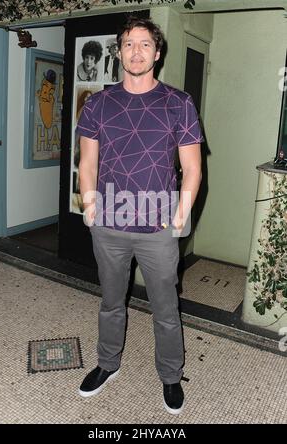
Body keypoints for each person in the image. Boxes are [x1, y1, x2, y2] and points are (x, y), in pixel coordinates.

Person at [76, 16, 203, 415]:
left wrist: (180, 217)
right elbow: (88, 161)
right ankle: (107, 364)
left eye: (145, 44)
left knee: (166, 308)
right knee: (111, 302)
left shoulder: (178, 103)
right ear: (119, 51)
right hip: (109, 224)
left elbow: (193, 169)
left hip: (159, 226)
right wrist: (89, 204)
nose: (136, 51)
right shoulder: (98, 102)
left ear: (157, 52)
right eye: (129, 44)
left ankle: (170, 375)